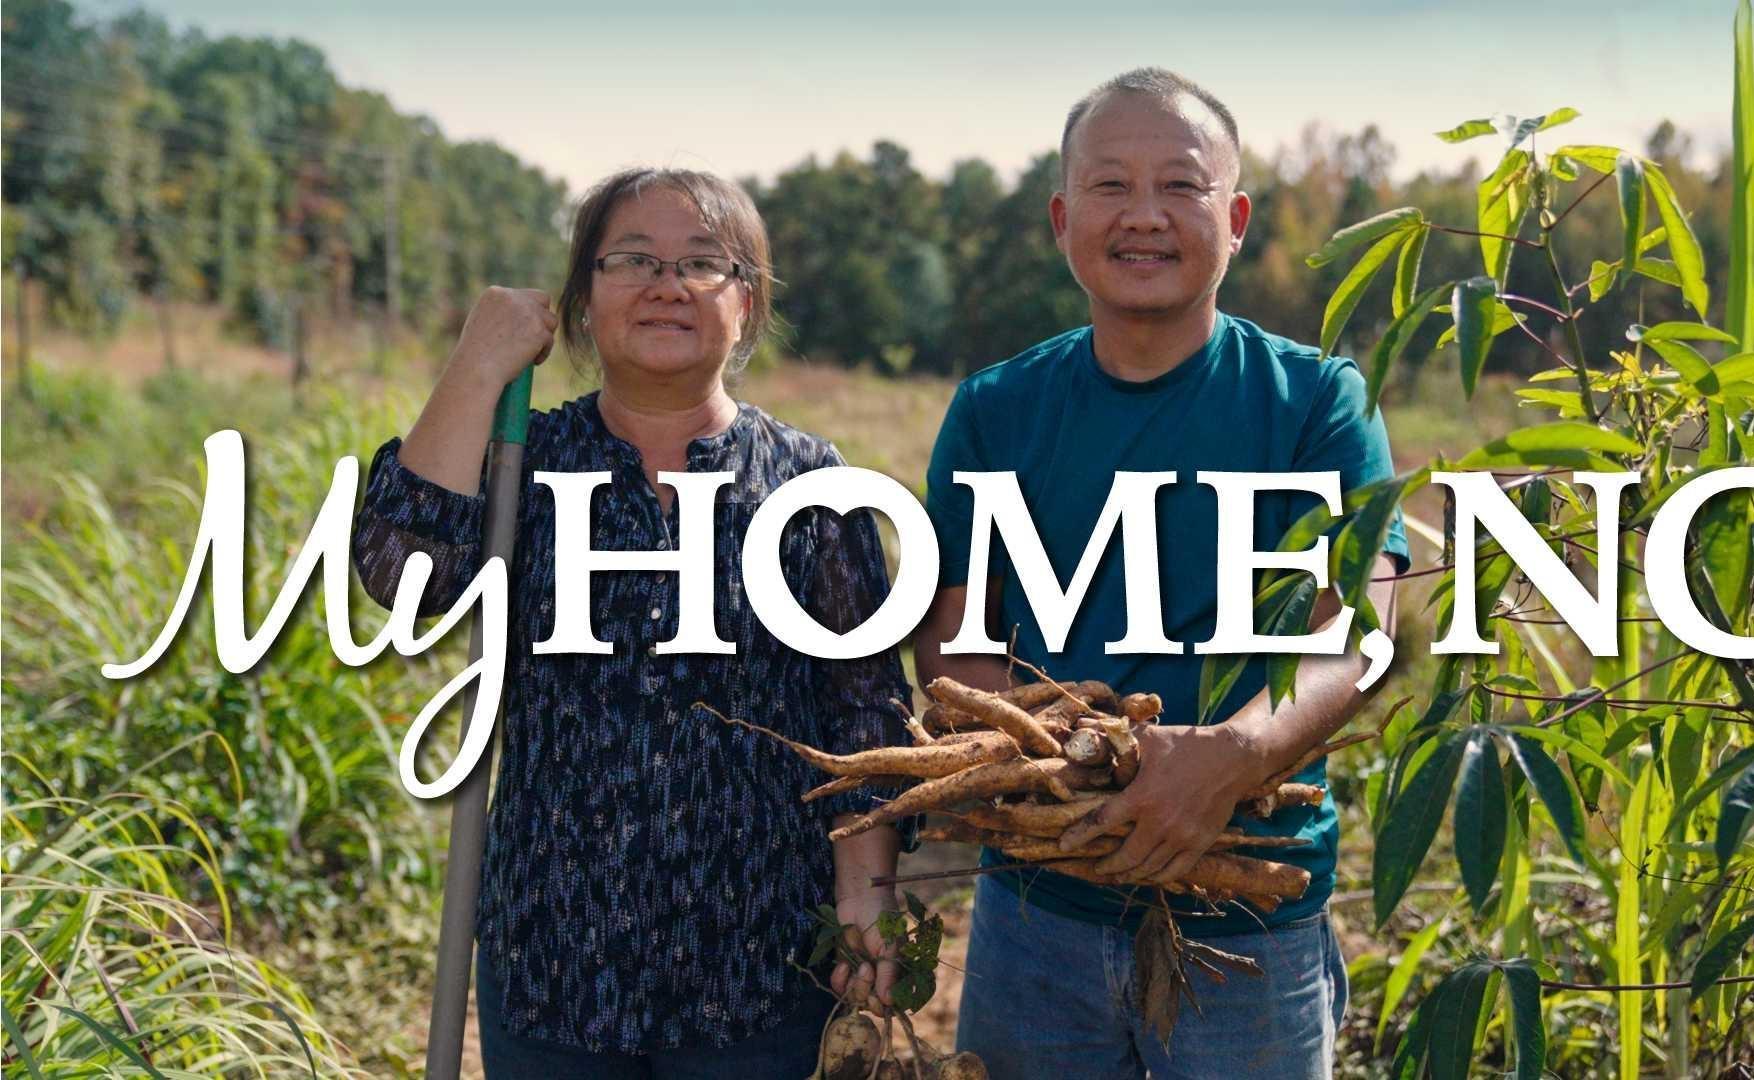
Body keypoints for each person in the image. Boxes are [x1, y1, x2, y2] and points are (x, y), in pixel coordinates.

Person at [351, 167, 912, 1076]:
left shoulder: (811, 484)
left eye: (703, 263)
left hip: (760, 965)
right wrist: (479, 362)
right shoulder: (527, 463)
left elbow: (865, 713)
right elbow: (402, 576)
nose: (667, 284)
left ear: (748, 305)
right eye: (632, 260)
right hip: (553, 952)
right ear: (582, 301)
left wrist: (867, 896)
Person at [912, 69, 1407, 1079]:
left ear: (1234, 220)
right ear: (1062, 219)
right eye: (1109, 187)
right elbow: (959, 642)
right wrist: (1055, 765)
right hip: (1036, 910)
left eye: (1179, 188)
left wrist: (1233, 754)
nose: (1144, 217)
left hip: (1249, 915)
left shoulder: (1316, 402)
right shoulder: (996, 409)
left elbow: (1356, 633)